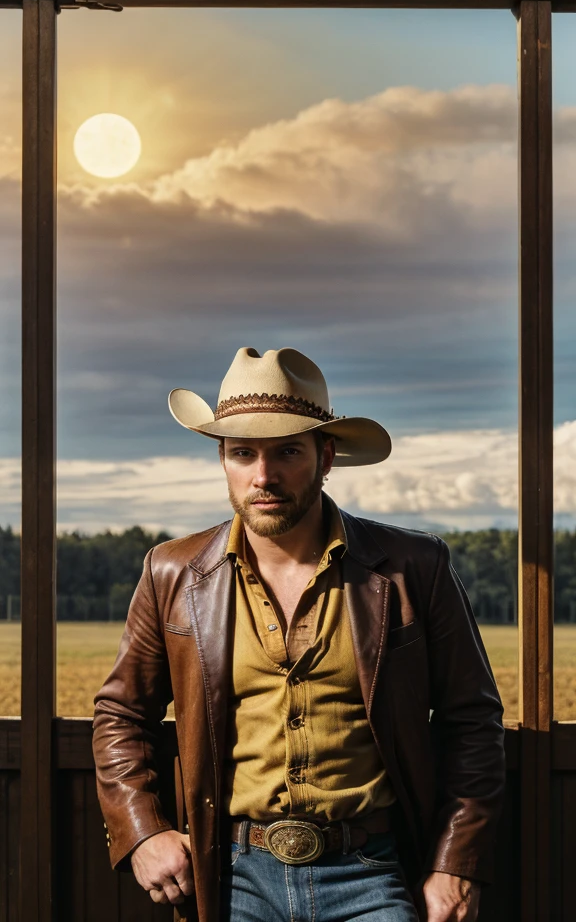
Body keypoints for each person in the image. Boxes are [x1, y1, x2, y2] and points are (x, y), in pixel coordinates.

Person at [93, 346, 506, 922]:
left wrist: (456, 863)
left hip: (374, 874)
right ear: (223, 459)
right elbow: (121, 715)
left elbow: (472, 721)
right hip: (231, 879)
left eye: (287, 451)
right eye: (243, 453)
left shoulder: (414, 567)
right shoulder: (172, 573)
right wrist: (142, 831)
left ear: (326, 455)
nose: (264, 476)